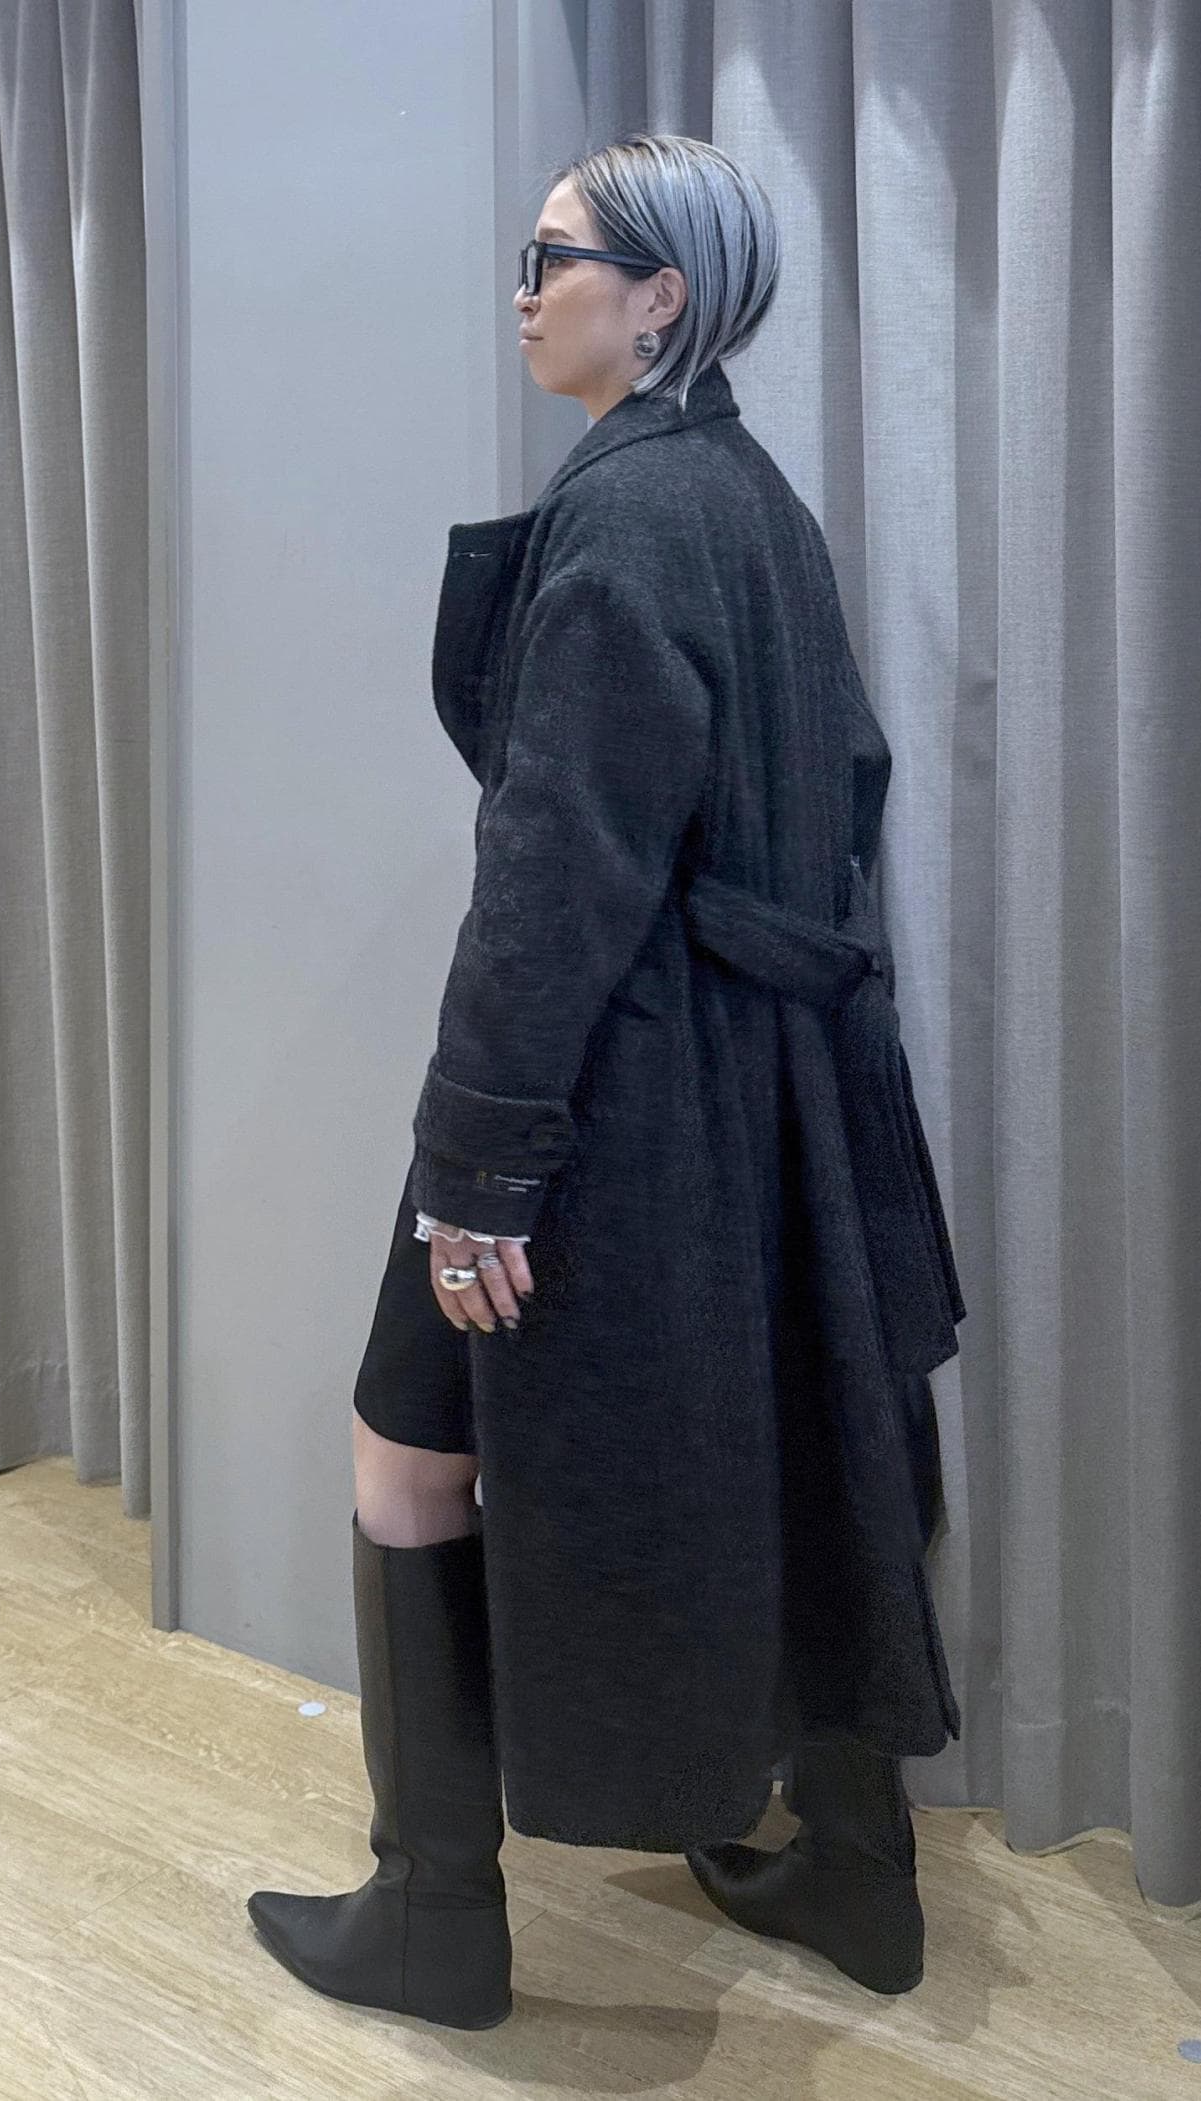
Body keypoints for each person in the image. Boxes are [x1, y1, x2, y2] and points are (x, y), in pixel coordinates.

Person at [247, 131, 966, 2033]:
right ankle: (858, 1868)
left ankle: (435, 1914)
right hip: (769, 1093)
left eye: (550, 257)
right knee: (809, 1433)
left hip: (614, 1105)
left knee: (407, 1446)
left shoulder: (630, 516)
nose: (521, 290)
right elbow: (847, 788)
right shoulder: (748, 496)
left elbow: (555, 880)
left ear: (659, 299)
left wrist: (481, 1169)